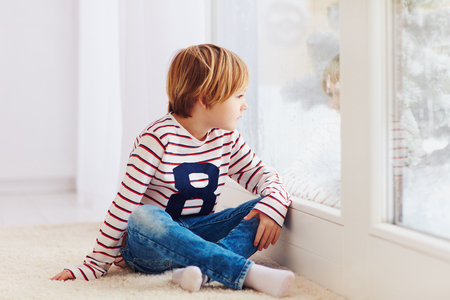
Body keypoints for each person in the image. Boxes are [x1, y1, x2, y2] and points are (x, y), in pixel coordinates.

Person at [51, 44, 295, 297]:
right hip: (150, 249)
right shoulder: (157, 138)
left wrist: (274, 203)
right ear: (205, 98)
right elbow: (124, 204)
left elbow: (265, 177)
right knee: (143, 215)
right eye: (239, 96)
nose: (244, 106)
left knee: (266, 206)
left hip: (198, 238)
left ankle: (201, 272)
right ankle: (240, 271)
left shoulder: (227, 138)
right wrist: (95, 264)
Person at [282, 54, 341, 208]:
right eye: (330, 94)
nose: (333, 104)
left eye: (340, 94)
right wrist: (336, 203)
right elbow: (289, 178)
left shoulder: (390, 130)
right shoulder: (330, 127)